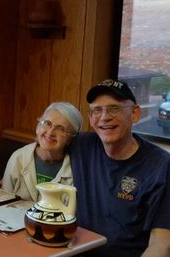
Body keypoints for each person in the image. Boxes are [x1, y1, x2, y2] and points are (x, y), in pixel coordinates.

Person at [69, 79, 170, 257]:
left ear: (135, 113)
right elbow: (46, 144)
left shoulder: (161, 166)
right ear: (91, 118)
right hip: (74, 251)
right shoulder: (82, 145)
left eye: (114, 108)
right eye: (97, 110)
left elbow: (161, 244)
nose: (104, 117)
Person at [1, 102, 83, 202]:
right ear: (38, 126)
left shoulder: (78, 169)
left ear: (71, 138)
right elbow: (3, 203)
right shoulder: (18, 157)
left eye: (61, 129)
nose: (50, 132)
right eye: (47, 123)